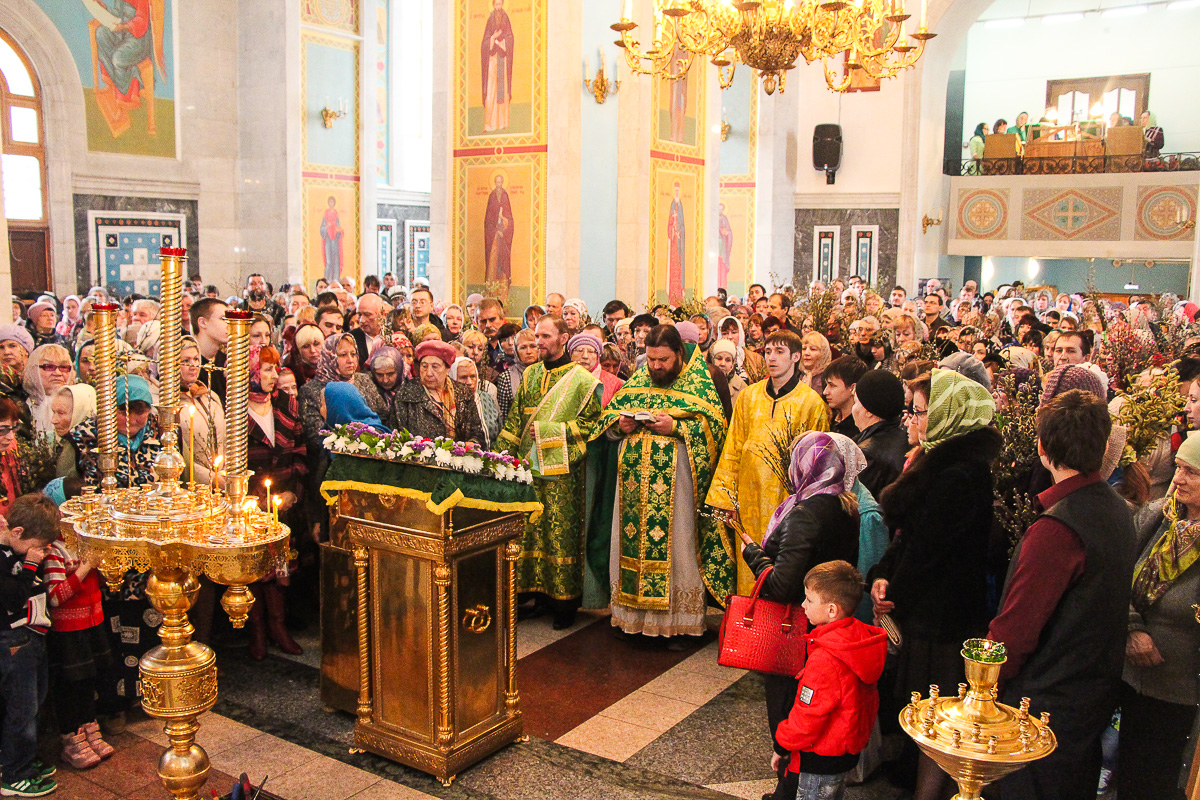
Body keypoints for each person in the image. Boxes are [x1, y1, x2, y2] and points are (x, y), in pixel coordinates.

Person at [990, 389, 1136, 800]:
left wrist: (986, 683)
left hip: (1046, 704)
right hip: (1089, 695)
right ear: (1105, 446)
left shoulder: (1057, 530)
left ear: (1041, 447)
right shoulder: (1117, 508)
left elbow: (1016, 629)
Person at [869, 369, 1000, 800]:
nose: (910, 419)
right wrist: (884, 574)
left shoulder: (959, 474)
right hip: (923, 605)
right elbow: (906, 538)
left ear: (947, 415)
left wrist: (894, 592)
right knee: (920, 704)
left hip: (941, 615)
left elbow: (928, 550)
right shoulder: (934, 461)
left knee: (935, 709)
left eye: (920, 411)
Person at [737, 433, 866, 800]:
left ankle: (787, 790)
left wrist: (754, 553)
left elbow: (782, 584)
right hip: (830, 625)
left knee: (789, 709)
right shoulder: (845, 505)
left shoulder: (806, 512)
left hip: (796, 629)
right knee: (819, 713)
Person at [597, 325, 728, 646]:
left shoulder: (701, 380)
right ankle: (631, 619)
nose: (655, 366)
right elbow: (609, 422)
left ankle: (677, 626)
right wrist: (620, 425)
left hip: (679, 491)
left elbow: (718, 429)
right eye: (651, 359)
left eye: (663, 360)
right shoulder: (640, 378)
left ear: (679, 354)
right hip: (631, 492)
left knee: (678, 549)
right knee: (631, 548)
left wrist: (677, 426)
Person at [496, 317, 602, 628]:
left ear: (563, 338)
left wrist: (550, 431)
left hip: (562, 472)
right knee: (532, 531)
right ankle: (537, 595)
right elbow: (516, 419)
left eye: (545, 336)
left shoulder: (581, 380)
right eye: (536, 336)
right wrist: (503, 457)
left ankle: (564, 603)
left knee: (559, 534)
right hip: (528, 466)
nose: (539, 341)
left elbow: (591, 426)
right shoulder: (529, 376)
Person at [708, 330, 831, 595]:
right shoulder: (749, 397)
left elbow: (817, 464)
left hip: (787, 503)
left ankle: (777, 633)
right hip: (749, 500)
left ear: (796, 357)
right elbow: (734, 447)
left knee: (783, 571)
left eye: (779, 352)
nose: (771, 358)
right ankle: (749, 630)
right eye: (767, 352)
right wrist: (728, 498)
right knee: (747, 567)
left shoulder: (812, 403)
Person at [1118, 432, 1200, 799]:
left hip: (1177, 690)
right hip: (1125, 671)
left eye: (1193, 472)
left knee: (1152, 783)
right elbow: (1116, 576)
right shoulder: (1155, 518)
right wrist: (1133, 628)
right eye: (1179, 468)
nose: (1178, 479)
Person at [775, 561, 887, 800]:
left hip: (819, 757)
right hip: (844, 752)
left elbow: (808, 717)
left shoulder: (826, 659)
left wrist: (782, 746)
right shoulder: (857, 640)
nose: (803, 605)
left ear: (832, 610)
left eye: (809, 600)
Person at [41, 477, 115, 771]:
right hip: (68, 630)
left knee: (89, 678)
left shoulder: (85, 538)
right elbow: (56, 597)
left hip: (91, 620)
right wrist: (85, 567)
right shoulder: (54, 549)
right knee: (70, 684)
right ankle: (71, 738)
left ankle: (89, 726)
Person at [244, 346, 306, 661]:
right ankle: (256, 631)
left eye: (274, 370)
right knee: (255, 567)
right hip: (249, 503)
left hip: (281, 502)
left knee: (281, 565)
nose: (272, 376)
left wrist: (293, 491)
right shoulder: (235, 412)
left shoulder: (287, 405)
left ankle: (278, 627)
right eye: (265, 369)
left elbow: (298, 451)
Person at [0, 494, 59, 797]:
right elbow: (11, 598)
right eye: (38, 545)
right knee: (22, 709)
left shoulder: (19, 547)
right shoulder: (3, 556)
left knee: (35, 701)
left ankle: (24, 758)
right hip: (13, 639)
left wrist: (35, 556)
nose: (41, 552)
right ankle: (14, 774)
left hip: (33, 634)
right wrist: (30, 566)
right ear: (18, 533)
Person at [394, 340, 485, 444]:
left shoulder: (463, 393)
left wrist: (471, 443)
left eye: (435, 367)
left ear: (447, 369)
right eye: (424, 366)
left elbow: (477, 432)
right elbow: (397, 434)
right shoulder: (406, 393)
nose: (428, 373)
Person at [852, 370, 908, 499]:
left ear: (868, 411)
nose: (853, 409)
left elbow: (856, 503)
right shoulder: (904, 435)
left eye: (855, 402)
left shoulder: (867, 455)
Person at [23, 344, 75, 439]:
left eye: (63, 367)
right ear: (34, 370)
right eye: (49, 367)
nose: (58, 373)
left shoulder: (78, 405)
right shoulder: (22, 408)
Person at [450, 357, 500, 448]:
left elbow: (499, 426)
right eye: (463, 377)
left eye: (473, 376)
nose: (469, 382)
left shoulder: (485, 397)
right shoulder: (450, 401)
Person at [49, 385, 96, 480]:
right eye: (53, 412)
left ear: (80, 412)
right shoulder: (60, 442)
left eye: (61, 413)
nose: (53, 420)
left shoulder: (76, 443)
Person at [352, 346, 404, 430]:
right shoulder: (367, 387)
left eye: (390, 374)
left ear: (399, 370)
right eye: (379, 375)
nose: (385, 380)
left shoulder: (408, 387)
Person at [191, 298, 228, 401]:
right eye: (223, 319)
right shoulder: (186, 361)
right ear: (202, 322)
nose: (230, 324)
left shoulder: (225, 361)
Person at [822, 356, 869, 438]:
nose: (825, 392)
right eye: (826, 385)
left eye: (832, 385)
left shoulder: (859, 429)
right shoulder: (831, 418)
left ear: (853, 388)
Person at [496, 328, 538, 421]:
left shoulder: (548, 372)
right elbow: (504, 415)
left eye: (533, 346)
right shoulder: (506, 378)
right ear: (516, 351)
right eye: (523, 347)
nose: (528, 351)